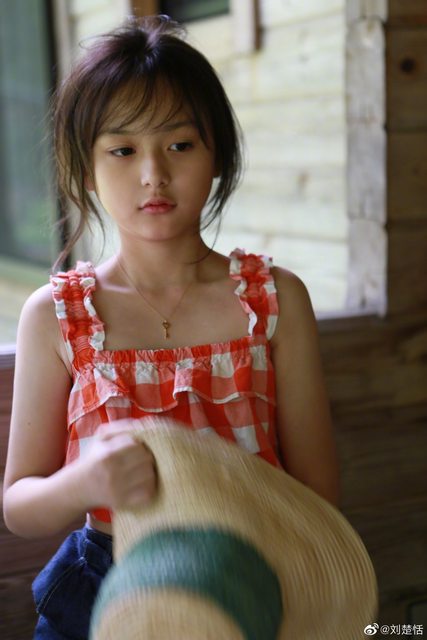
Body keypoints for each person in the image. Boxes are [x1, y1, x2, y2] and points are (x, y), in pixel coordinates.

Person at [3, 15, 339, 639]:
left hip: (247, 582)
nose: (153, 174)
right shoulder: (56, 316)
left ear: (218, 156)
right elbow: (19, 504)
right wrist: (84, 482)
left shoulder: (275, 301)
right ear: (85, 168)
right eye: (122, 150)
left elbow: (319, 492)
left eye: (180, 145)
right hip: (101, 589)